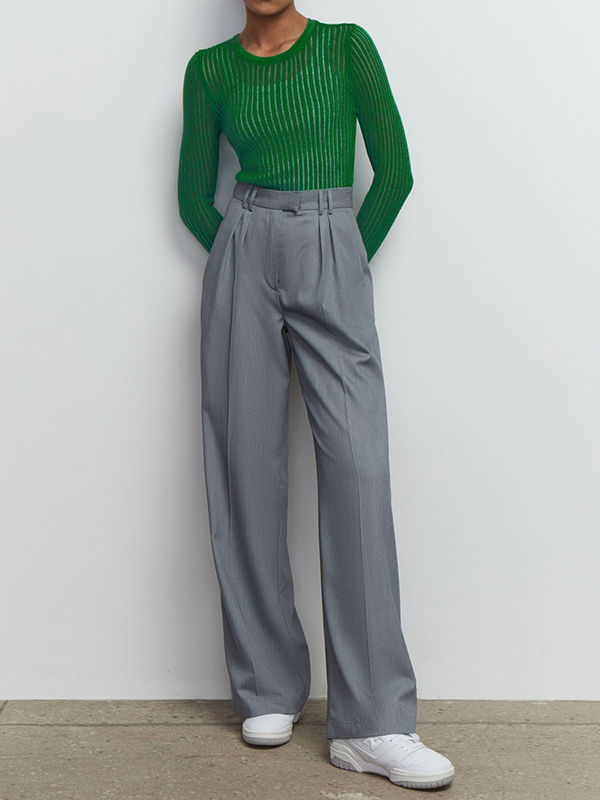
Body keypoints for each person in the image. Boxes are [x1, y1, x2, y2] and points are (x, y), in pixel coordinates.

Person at [177, 0, 455, 790]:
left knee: (360, 471)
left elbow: (395, 171)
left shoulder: (345, 48)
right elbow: (193, 194)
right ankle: (266, 685)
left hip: (333, 241)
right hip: (244, 249)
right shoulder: (211, 70)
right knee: (245, 466)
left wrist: (345, 259)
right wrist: (238, 259)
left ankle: (373, 723)